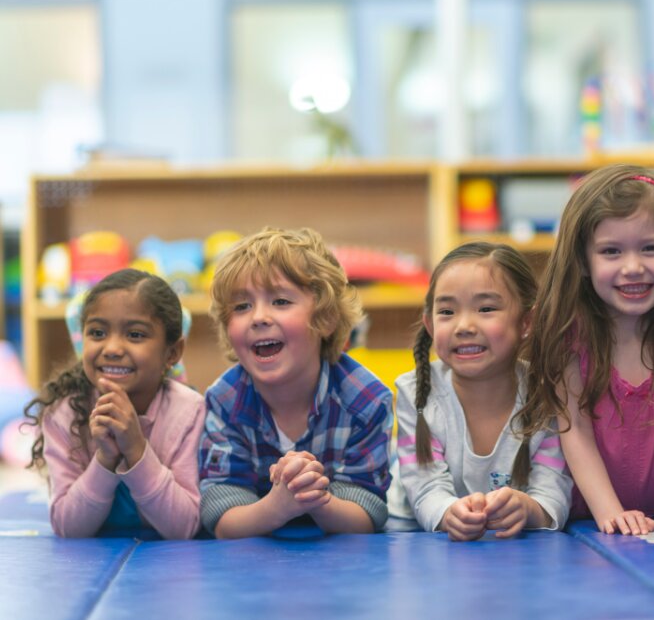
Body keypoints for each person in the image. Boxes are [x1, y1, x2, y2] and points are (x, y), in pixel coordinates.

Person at [520, 165, 654, 537]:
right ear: (583, 260)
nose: (633, 267)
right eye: (611, 251)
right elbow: (575, 429)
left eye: (651, 248)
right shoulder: (569, 322)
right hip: (594, 518)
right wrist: (610, 513)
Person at [199, 227, 392, 538]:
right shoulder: (225, 400)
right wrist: (277, 507)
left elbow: (366, 514)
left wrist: (314, 499)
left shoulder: (365, 399)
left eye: (280, 301)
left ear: (325, 319)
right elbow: (221, 516)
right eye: (242, 306)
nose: (258, 317)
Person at [387, 242, 572, 541]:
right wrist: (449, 513)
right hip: (411, 536)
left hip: (514, 553)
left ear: (526, 321)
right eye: (447, 311)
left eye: (486, 309)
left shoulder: (547, 394)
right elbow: (425, 488)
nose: (464, 325)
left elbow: (553, 490)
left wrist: (529, 509)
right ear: (430, 326)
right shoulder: (416, 393)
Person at [24, 268, 204, 539]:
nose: (112, 348)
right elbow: (67, 527)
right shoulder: (64, 415)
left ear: (172, 352)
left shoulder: (191, 412)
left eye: (135, 335)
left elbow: (185, 526)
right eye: (97, 333)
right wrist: (105, 459)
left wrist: (135, 448)